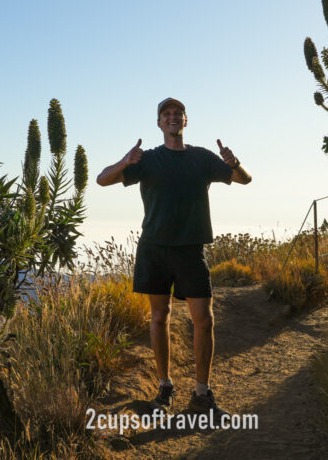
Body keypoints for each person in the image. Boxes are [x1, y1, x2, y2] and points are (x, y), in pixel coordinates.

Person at [96, 97, 252, 421]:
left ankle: (201, 394)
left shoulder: (202, 158)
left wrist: (234, 162)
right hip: (154, 248)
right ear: (159, 123)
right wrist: (126, 160)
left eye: (177, 113)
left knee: (204, 319)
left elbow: (245, 179)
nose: (172, 117)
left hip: (190, 249)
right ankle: (164, 386)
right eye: (166, 114)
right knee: (158, 318)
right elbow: (102, 179)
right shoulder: (148, 159)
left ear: (185, 120)